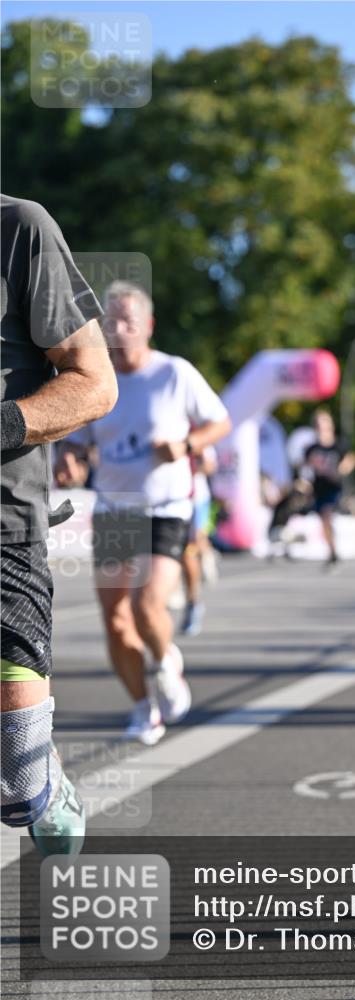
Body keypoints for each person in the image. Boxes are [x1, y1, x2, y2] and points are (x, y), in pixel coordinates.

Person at [57, 281, 231, 745]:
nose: (119, 329)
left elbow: (220, 422)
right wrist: (69, 458)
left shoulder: (175, 374)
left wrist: (186, 445)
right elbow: (77, 439)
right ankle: (142, 707)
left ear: (148, 325)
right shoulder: (96, 381)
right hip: (116, 510)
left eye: (128, 321)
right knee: (115, 619)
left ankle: (166, 659)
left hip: (167, 508)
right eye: (110, 321)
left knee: (147, 603)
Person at [1, 195, 118, 854]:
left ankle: (41, 777)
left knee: (17, 782)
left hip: (4, 527)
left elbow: (94, 383)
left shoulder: (19, 229)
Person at [303, 409, 355, 567]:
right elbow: (305, 469)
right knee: (324, 521)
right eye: (318, 425)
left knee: (328, 514)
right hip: (319, 489)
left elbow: (350, 458)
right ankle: (332, 550)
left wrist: (340, 470)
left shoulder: (338, 445)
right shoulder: (311, 449)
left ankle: (333, 550)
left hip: (335, 489)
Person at [180, 445, 218, 636]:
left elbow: (211, 466)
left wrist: (192, 462)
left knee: (191, 547)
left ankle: (193, 602)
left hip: (196, 499)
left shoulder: (199, 435)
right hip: (167, 499)